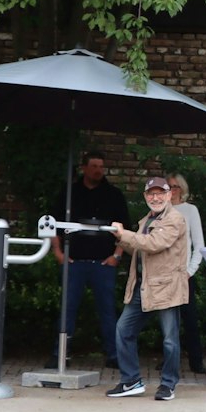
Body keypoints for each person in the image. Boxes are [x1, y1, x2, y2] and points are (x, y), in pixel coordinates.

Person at [105, 177, 192, 399]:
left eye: (160, 193)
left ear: (170, 195)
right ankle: (131, 381)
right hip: (142, 287)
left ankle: (168, 385)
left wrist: (124, 234)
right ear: (145, 197)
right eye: (151, 194)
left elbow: (153, 244)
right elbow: (138, 248)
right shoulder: (146, 220)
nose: (155, 198)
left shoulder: (175, 219)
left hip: (167, 289)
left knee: (170, 340)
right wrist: (119, 238)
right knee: (123, 331)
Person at [48, 152, 128, 368]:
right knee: (68, 309)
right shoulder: (69, 194)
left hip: (104, 264)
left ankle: (113, 355)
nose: (98, 170)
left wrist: (116, 256)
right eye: (93, 166)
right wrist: (58, 252)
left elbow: (124, 229)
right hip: (74, 263)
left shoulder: (113, 195)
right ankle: (60, 353)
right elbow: (53, 224)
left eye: (101, 166)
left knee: (107, 311)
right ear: (84, 168)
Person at [166, 171, 206, 375]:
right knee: (167, 319)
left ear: (182, 190)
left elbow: (198, 244)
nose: (172, 191)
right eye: (169, 187)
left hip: (183, 274)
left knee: (189, 318)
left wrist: (190, 270)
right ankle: (168, 358)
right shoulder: (160, 211)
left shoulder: (190, 210)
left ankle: (196, 360)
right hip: (164, 274)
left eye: (175, 187)